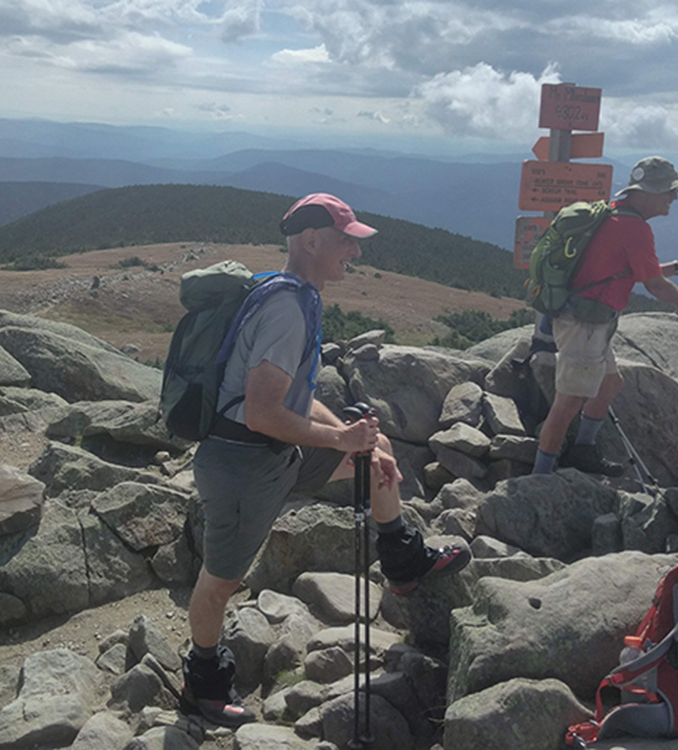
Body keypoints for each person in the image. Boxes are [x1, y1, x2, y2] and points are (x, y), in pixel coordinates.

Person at [182, 193, 472, 727]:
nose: (355, 254)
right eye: (346, 241)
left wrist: (347, 435)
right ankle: (202, 679)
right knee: (221, 582)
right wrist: (339, 442)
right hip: (243, 465)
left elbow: (291, 397)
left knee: (378, 452)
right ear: (311, 241)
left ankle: (401, 557)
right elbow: (263, 411)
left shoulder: (298, 295)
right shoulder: (286, 309)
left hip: (277, 451)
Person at [532, 156, 678, 476]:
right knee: (568, 402)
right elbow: (655, 284)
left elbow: (637, 272)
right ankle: (540, 477)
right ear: (649, 192)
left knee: (611, 383)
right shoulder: (634, 228)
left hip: (588, 318)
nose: (674, 197)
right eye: (670, 190)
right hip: (585, 324)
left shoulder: (613, 213)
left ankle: (583, 450)